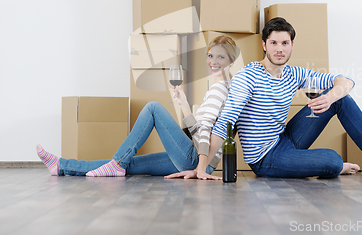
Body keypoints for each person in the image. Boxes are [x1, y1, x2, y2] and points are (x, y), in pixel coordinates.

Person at [168, 17, 362, 180]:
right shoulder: (248, 77)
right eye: (274, 43)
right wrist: (202, 167)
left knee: (340, 99)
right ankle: (329, 166)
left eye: (285, 43)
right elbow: (225, 122)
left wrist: (331, 96)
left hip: (286, 139)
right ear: (265, 45)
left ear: (291, 45)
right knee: (333, 160)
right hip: (265, 157)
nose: (280, 49)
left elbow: (346, 81)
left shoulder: (294, 73)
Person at [37, 36, 239, 180]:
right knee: (128, 164)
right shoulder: (222, 88)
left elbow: (205, 132)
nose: (213, 62)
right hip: (198, 161)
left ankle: (116, 163)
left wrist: (200, 168)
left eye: (220, 57)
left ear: (230, 61)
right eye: (211, 56)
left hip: (195, 159)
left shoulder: (219, 89)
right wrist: (185, 105)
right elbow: (200, 133)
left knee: (153, 108)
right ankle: (62, 166)